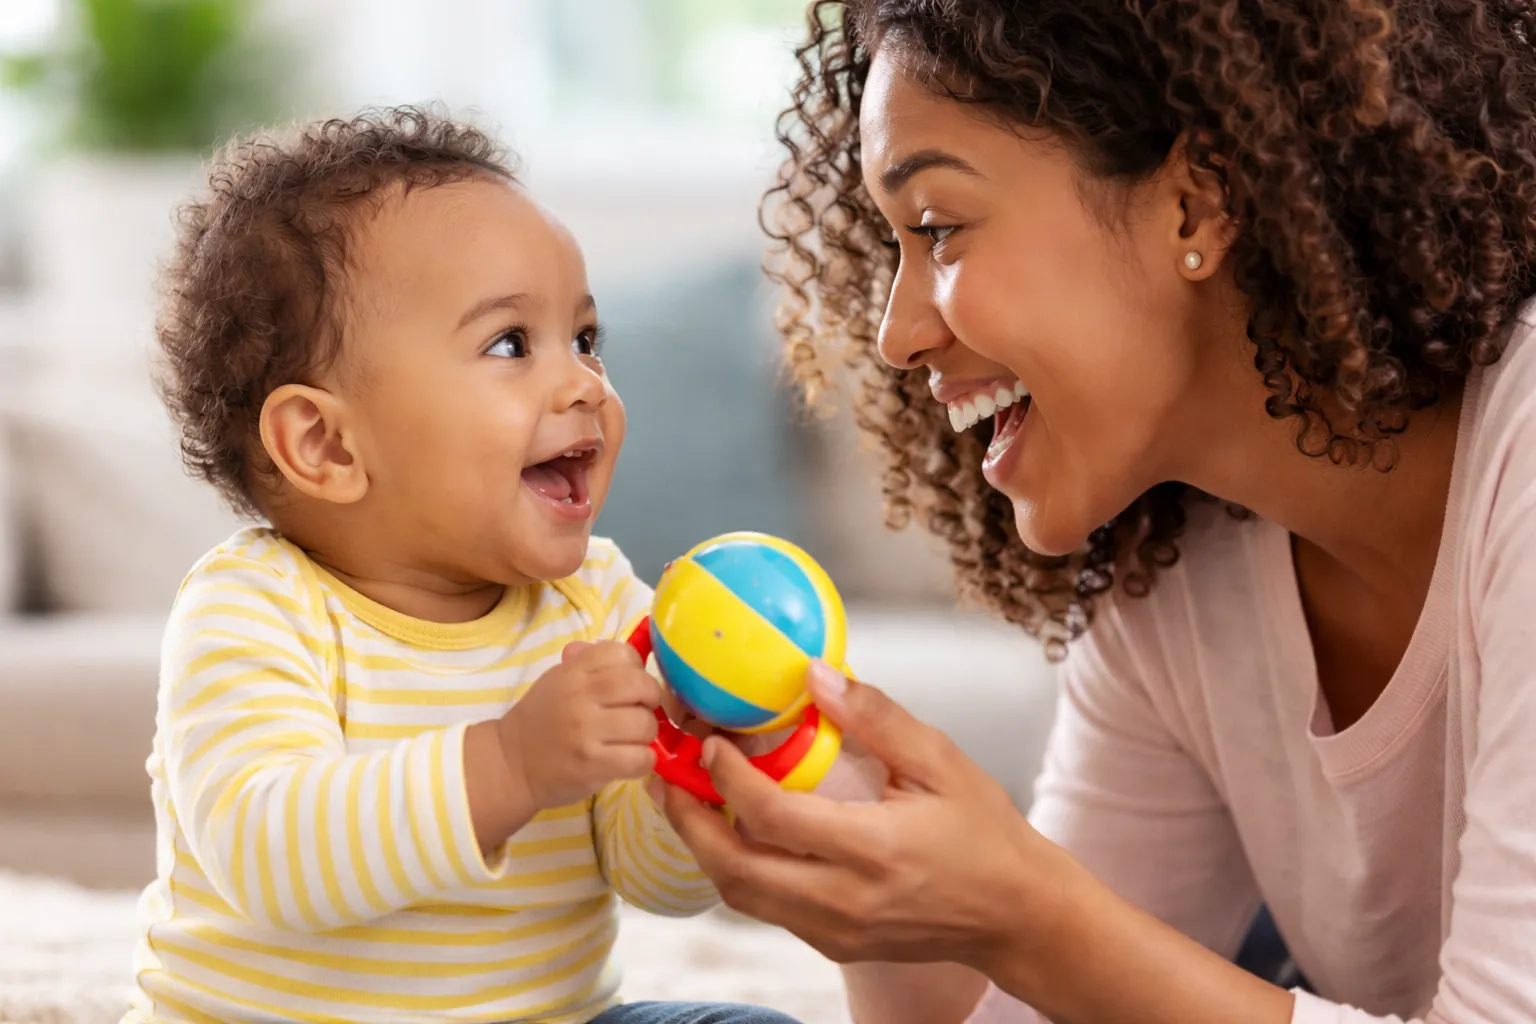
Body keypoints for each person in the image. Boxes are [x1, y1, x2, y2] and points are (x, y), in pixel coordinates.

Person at [662, 2, 1536, 1022]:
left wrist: (1026, 914)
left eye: (939, 227)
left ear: (1195, 206)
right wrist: (861, 848)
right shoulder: (1172, 572)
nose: (896, 336)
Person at [126, 107, 799, 1024]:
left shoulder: (594, 599)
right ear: (324, 444)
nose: (585, 386)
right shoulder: (254, 608)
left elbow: (653, 881)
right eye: (511, 345)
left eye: (587, 339)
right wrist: (510, 764)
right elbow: (271, 859)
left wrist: (707, 763)